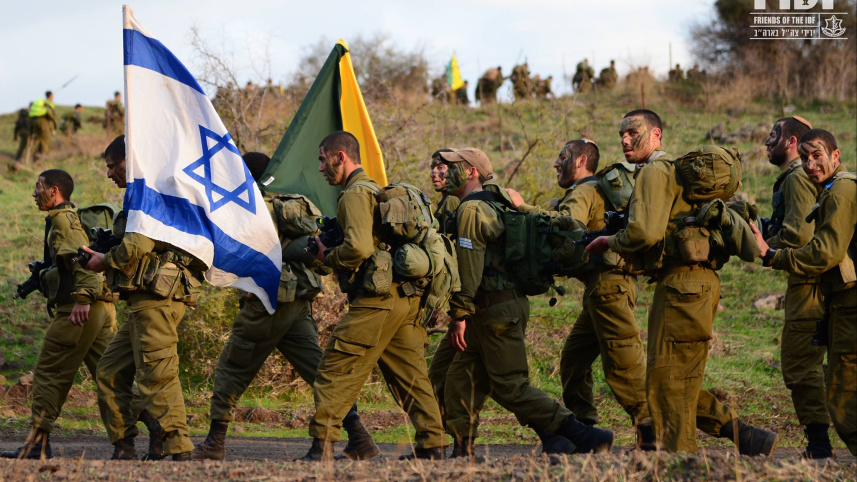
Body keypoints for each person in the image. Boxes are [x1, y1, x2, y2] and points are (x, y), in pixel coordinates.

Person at [586, 109, 778, 454]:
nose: (625, 140)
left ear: (656, 134)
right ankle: (737, 439)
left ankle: (680, 463)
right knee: (674, 378)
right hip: (689, 283)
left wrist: (610, 242)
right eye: (621, 135)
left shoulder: (654, 172)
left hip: (683, 284)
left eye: (633, 132)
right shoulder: (670, 173)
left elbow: (644, 232)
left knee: (669, 382)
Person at [191, 152, 378, 461]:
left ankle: (214, 442)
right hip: (298, 301)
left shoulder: (252, 207)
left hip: (268, 302)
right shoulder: (287, 205)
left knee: (232, 368)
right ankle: (358, 436)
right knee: (320, 371)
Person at [440, 147, 614, 457]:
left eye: (450, 166)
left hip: (494, 308)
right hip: (494, 307)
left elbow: (470, 265)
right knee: (459, 380)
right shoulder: (496, 200)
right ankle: (463, 451)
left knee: (510, 385)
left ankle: (583, 434)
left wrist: (460, 313)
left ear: (471, 172)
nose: (440, 172)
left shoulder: (470, 211)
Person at [302, 131, 447, 461]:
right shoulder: (373, 189)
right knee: (409, 373)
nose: (321, 168)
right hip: (405, 297)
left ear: (341, 157)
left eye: (323, 159)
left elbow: (357, 249)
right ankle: (433, 443)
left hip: (377, 299)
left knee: (335, 365)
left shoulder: (354, 194)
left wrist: (327, 256)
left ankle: (321, 447)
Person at [505, 139, 654, 449]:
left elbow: (567, 229)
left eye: (563, 157)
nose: (557, 164)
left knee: (622, 366)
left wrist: (523, 207)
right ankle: (584, 429)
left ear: (583, 160)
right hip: (601, 289)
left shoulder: (585, 191)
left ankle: (652, 433)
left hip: (608, 288)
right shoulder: (593, 190)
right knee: (574, 360)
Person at [83, 135, 206, 461]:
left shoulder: (146, 190)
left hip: (157, 299)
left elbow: (138, 245)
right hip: (145, 300)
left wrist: (104, 261)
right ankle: (124, 446)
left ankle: (178, 448)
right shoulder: (146, 191)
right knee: (109, 371)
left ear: (130, 159)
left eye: (113, 165)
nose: (109, 173)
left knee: (158, 373)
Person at [752, 129, 856, 457]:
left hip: (838, 294)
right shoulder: (831, 187)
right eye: (806, 158)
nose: (810, 164)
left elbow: (823, 251)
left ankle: (823, 448)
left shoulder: (838, 190)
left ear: (835, 156)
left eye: (818, 156)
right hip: (838, 295)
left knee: (840, 390)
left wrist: (771, 254)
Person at [1, 170, 117, 460]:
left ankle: (37, 443)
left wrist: (81, 299)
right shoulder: (65, 218)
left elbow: (83, 258)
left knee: (48, 373)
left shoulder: (64, 221)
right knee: (112, 376)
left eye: (38, 187)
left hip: (80, 308)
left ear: (54, 191)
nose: (33, 193)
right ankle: (145, 439)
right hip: (101, 306)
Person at [761, 116, 833, 458]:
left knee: (799, 363)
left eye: (773, 136)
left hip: (810, 281)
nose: (766, 142)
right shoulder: (802, 176)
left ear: (790, 141)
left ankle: (819, 447)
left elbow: (800, 235)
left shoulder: (796, 178)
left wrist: (763, 247)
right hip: (815, 277)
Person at [425, 148, 460, 429]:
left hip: (467, 305)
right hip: (464, 305)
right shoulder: (447, 203)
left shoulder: (451, 204)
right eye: (434, 167)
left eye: (443, 168)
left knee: (440, 376)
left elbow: (449, 259)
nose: (436, 173)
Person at [29, 91, 57, 160]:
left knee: (36, 141)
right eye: (52, 96)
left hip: (35, 123)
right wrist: (55, 123)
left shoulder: (39, 104)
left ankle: (29, 156)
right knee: (45, 141)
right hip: (43, 124)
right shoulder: (47, 104)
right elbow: (48, 118)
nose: (53, 97)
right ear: (50, 96)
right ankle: (44, 158)